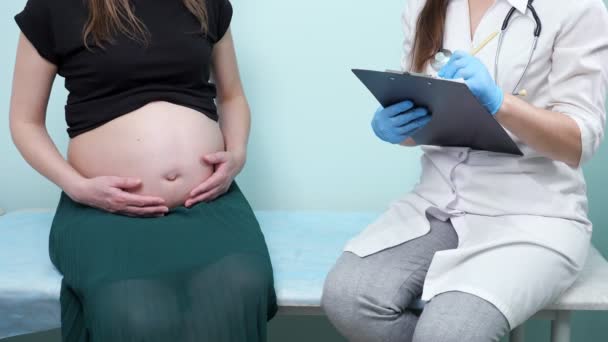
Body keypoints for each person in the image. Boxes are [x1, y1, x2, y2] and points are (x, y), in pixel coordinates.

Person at [322, 0, 608, 341]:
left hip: (533, 215)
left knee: (448, 333)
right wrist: (399, 129)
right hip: (439, 203)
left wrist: (501, 104)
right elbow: (430, 111)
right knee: (349, 297)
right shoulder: (423, 5)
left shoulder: (575, 7)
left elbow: (578, 141)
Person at [10, 0, 277, 341]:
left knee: (242, 285)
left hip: (208, 202)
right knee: (135, 311)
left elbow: (232, 96)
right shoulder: (53, 6)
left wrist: (236, 153)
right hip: (104, 212)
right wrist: (77, 187)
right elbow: (24, 122)